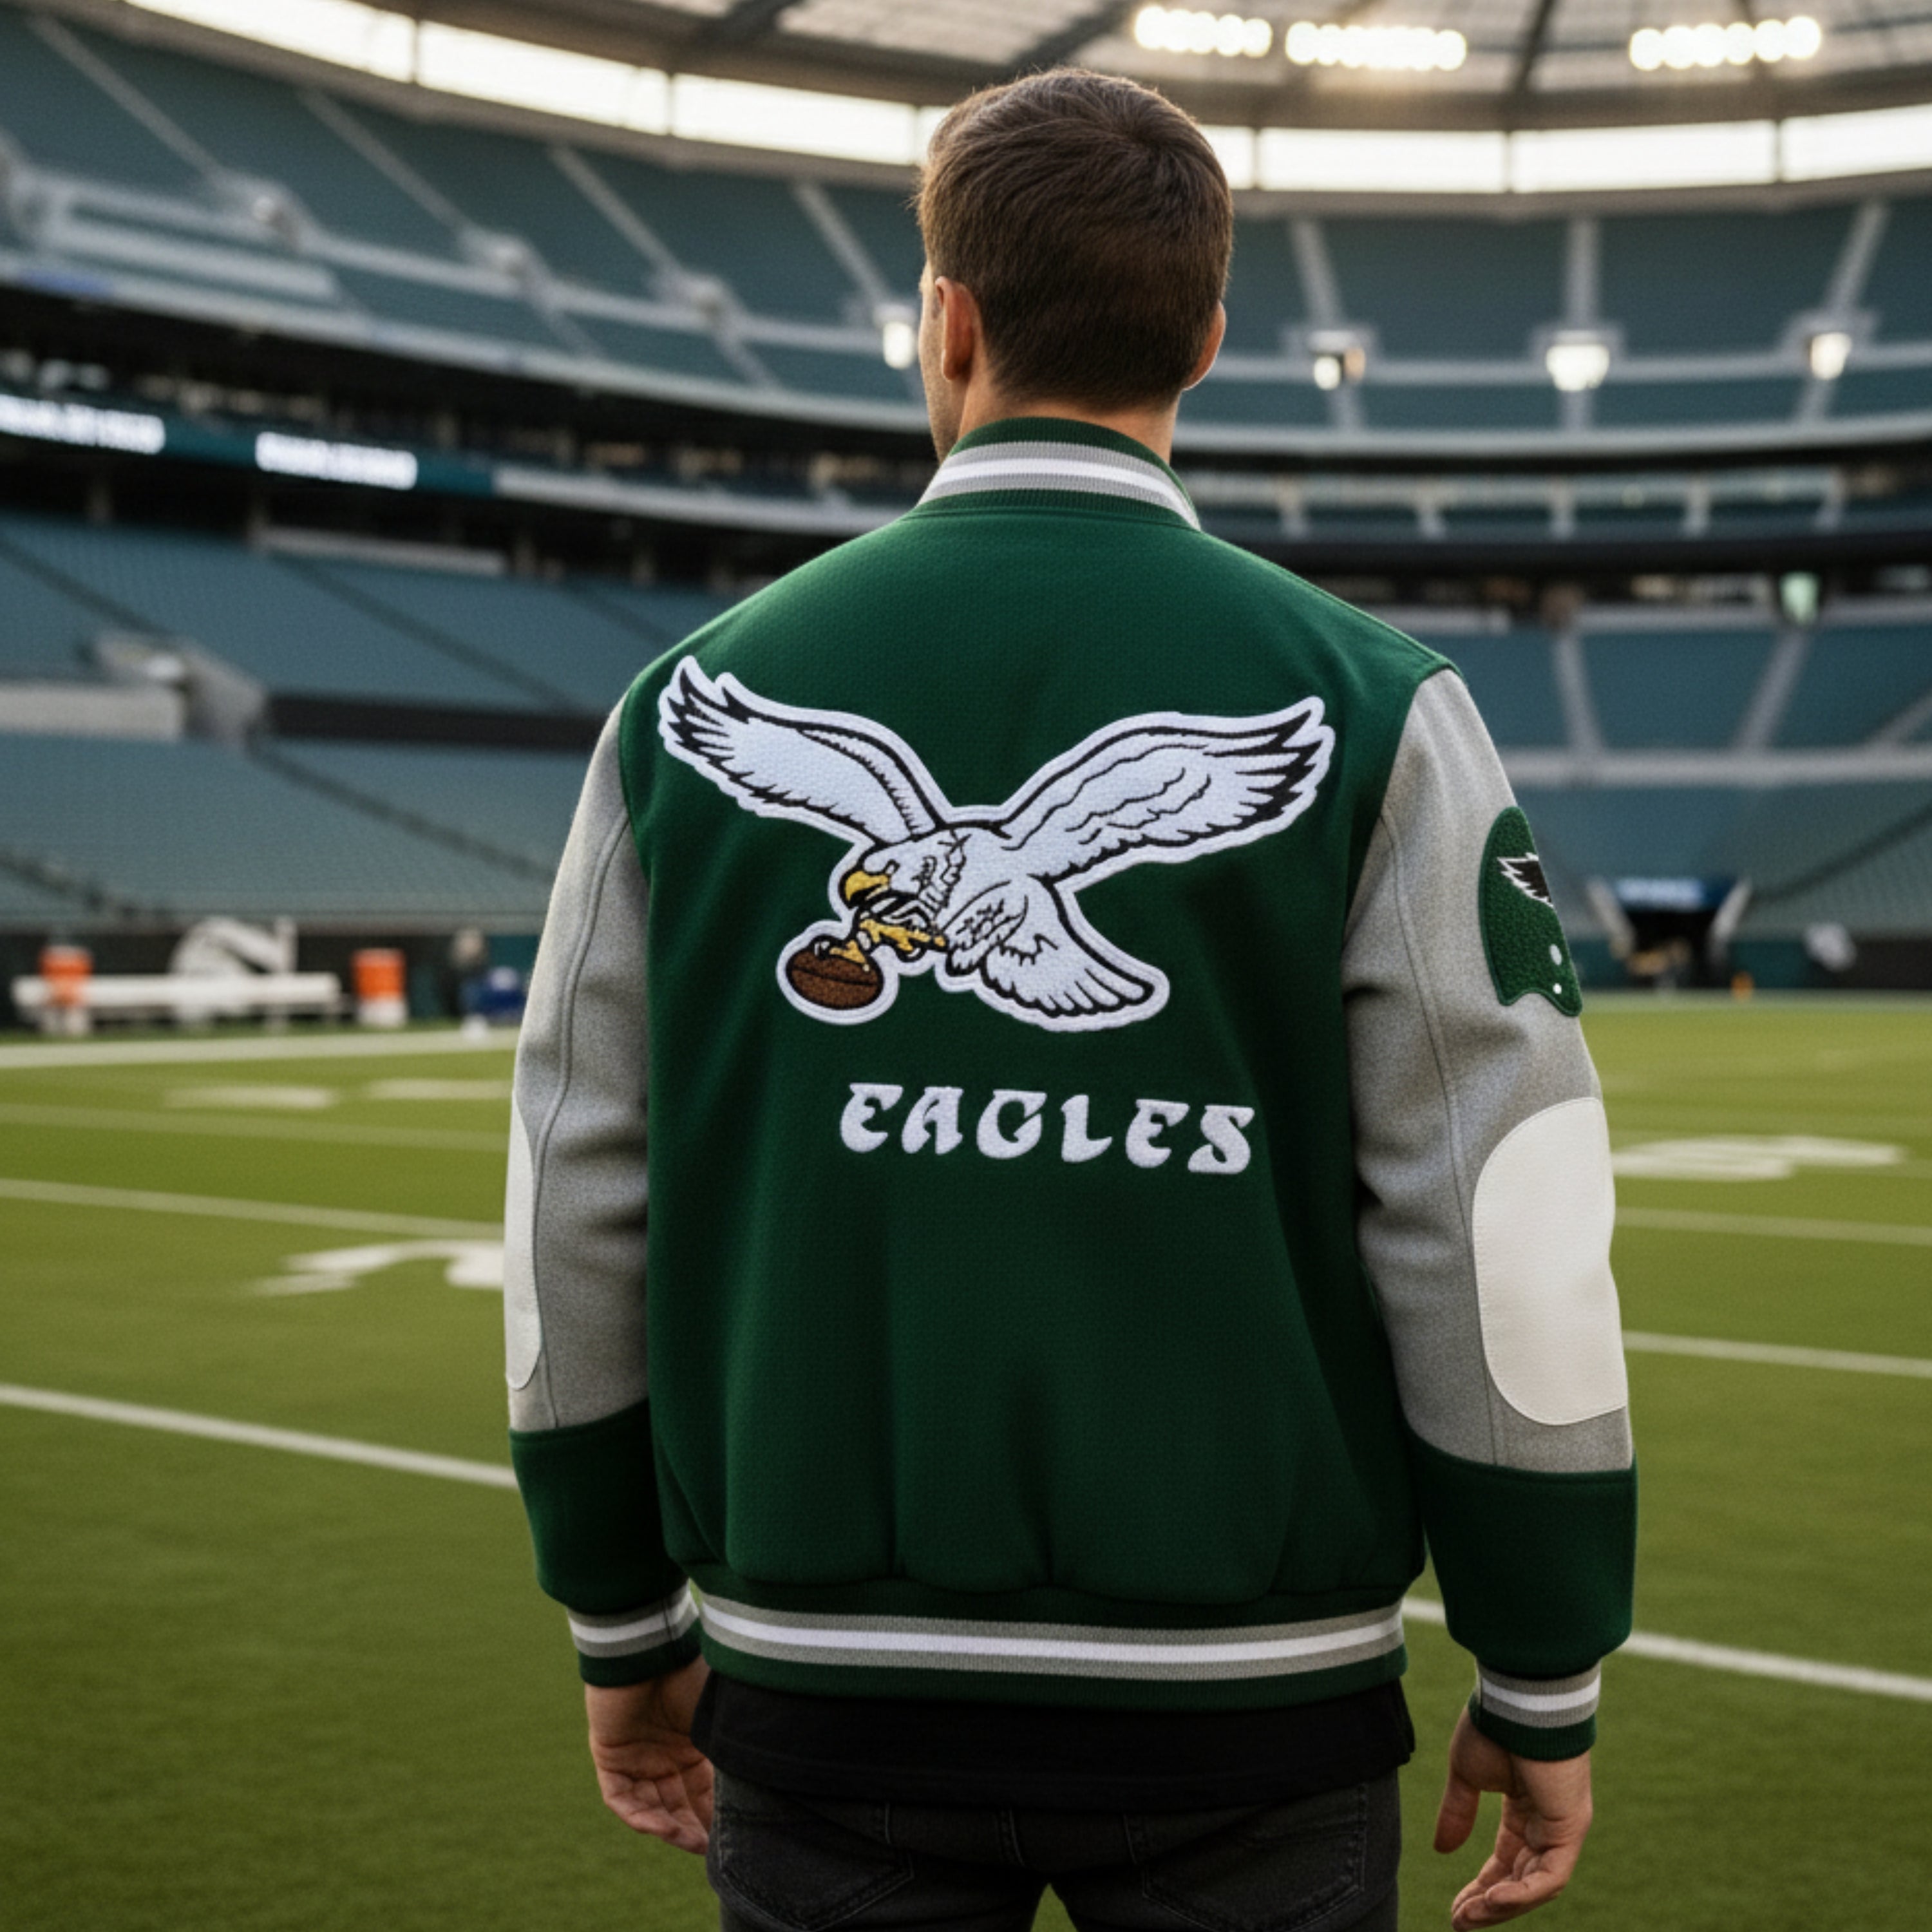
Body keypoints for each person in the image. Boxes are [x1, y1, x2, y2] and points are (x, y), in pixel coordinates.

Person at [504, 68, 1635, 1932]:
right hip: (1257, 1713)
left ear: (945, 321)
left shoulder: (686, 703)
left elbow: (578, 1186)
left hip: (821, 1694)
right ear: (1205, 336)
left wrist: (619, 1611)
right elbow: (1501, 1214)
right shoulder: (1380, 703)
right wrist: (1542, 1655)